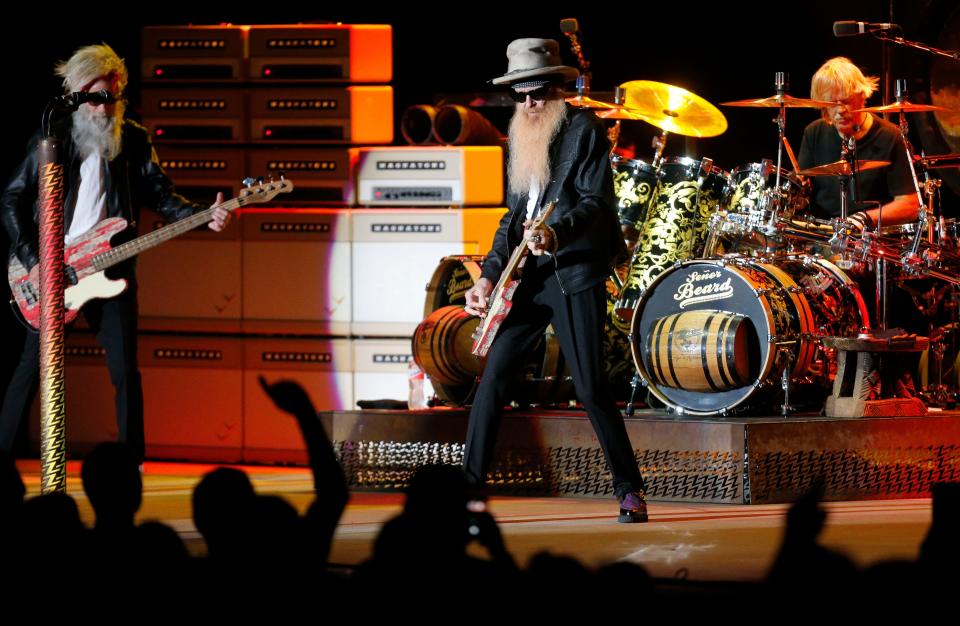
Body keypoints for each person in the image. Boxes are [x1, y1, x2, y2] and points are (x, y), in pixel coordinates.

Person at [0, 44, 229, 462]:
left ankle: (131, 465)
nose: (107, 108)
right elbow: (11, 199)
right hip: (55, 271)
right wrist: (35, 262)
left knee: (125, 372)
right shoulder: (52, 139)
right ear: (77, 94)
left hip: (111, 266)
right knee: (31, 370)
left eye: (115, 97)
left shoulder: (135, 139)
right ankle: (2, 463)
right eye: (99, 98)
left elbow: (161, 195)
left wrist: (203, 215)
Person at [462, 38, 648, 523]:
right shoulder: (519, 134)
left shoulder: (584, 129)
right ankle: (467, 493)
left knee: (588, 386)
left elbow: (594, 204)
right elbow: (513, 216)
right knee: (494, 378)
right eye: (520, 95)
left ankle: (629, 489)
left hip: (572, 269)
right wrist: (487, 277)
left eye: (538, 93)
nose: (529, 104)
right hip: (528, 273)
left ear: (558, 90)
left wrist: (554, 232)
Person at [798, 56, 920, 230]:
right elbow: (800, 186)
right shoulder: (814, 132)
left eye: (846, 101)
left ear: (862, 95)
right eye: (831, 103)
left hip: (871, 239)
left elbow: (910, 205)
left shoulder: (891, 137)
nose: (840, 110)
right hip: (822, 235)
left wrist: (865, 218)